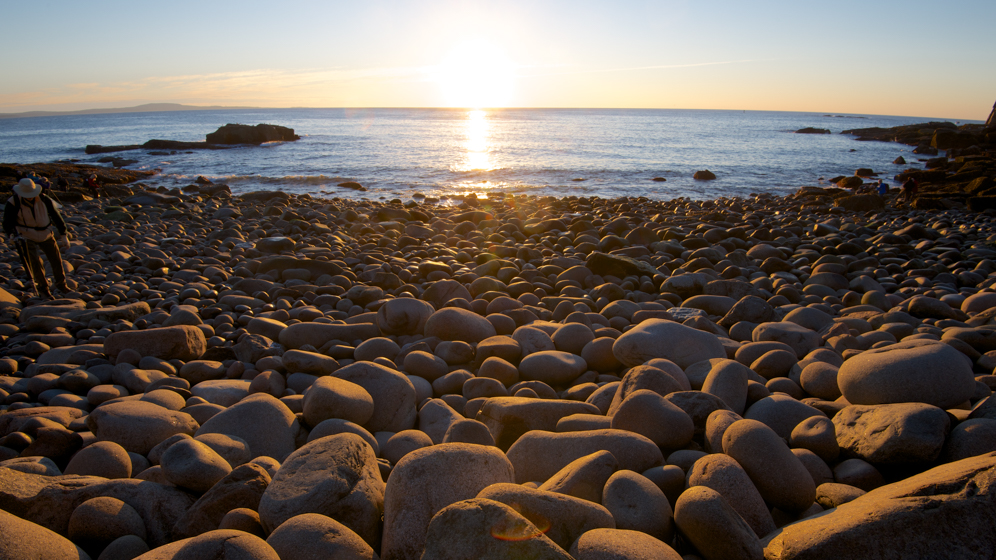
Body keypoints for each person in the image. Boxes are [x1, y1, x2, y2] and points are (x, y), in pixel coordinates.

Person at [3, 178, 71, 299]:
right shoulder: (13, 202)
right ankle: (43, 289)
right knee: (35, 263)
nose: (29, 197)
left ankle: (61, 284)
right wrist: (11, 234)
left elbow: (56, 217)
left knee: (56, 259)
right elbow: (7, 222)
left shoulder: (44, 199)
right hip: (26, 234)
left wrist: (63, 234)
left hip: (46, 232)